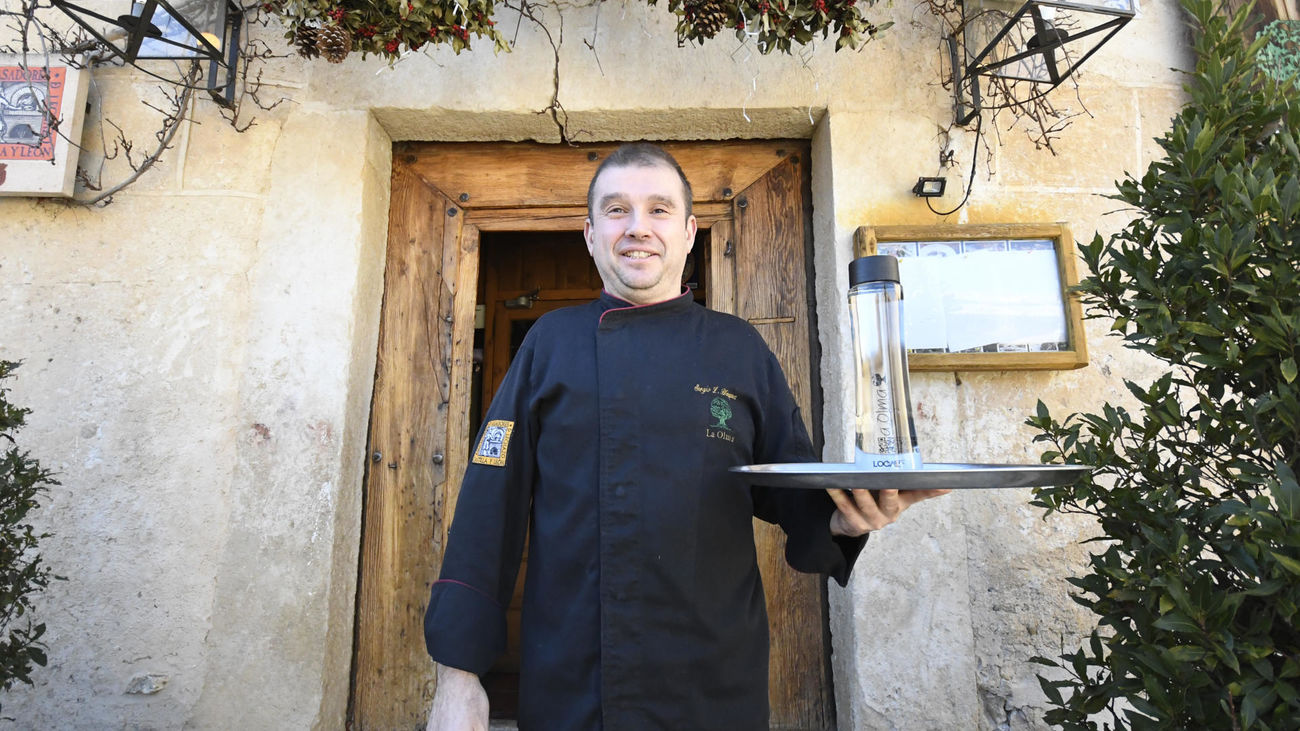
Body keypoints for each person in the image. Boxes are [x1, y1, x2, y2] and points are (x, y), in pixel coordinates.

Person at [423, 143, 947, 730]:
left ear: (691, 231)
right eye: (616, 211)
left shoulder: (738, 348)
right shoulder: (549, 343)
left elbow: (794, 493)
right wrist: (458, 678)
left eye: (659, 210)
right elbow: (487, 510)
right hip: (574, 684)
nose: (637, 228)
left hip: (711, 684)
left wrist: (846, 518)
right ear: (591, 234)